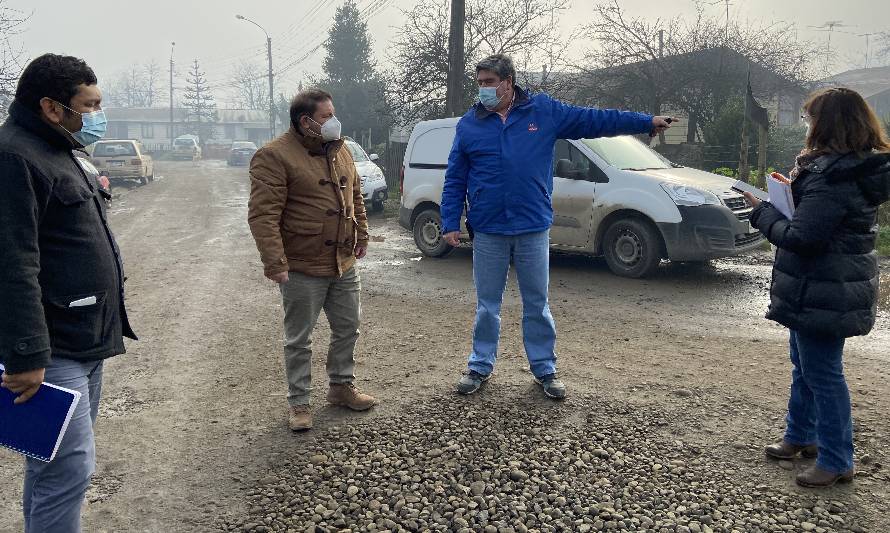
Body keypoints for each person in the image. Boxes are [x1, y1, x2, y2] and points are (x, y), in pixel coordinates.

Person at [442, 54, 675, 399]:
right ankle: (479, 365)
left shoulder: (543, 112)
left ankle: (544, 368)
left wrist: (645, 121)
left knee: (537, 302)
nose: (483, 90)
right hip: (489, 228)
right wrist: (450, 221)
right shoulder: (469, 124)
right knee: (487, 304)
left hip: (532, 226)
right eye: (480, 83)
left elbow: (595, 120)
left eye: (489, 83)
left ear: (508, 82)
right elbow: (455, 177)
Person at [0, 53, 137, 532]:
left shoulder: (62, 150)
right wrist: (25, 353)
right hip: (50, 347)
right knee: (68, 467)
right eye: (90, 105)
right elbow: (12, 262)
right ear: (52, 107)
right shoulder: (15, 157)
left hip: (83, 337)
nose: (97, 115)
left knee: (50, 462)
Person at [744, 87, 890, 488]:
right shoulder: (845, 169)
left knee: (823, 374)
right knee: (805, 367)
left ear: (827, 125)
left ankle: (838, 459)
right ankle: (801, 436)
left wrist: (763, 213)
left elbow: (803, 237)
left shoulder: (834, 178)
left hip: (825, 287)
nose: (805, 124)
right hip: (822, 286)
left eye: (810, 118)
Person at [247, 88, 377, 432]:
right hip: (303, 264)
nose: (333, 121)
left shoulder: (341, 150)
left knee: (349, 327)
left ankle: (340, 387)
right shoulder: (273, 156)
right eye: (325, 116)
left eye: (333, 114)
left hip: (343, 260)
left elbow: (355, 197)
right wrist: (275, 262)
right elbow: (263, 215)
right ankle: (300, 403)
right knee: (299, 339)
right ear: (306, 122)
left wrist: (361, 235)